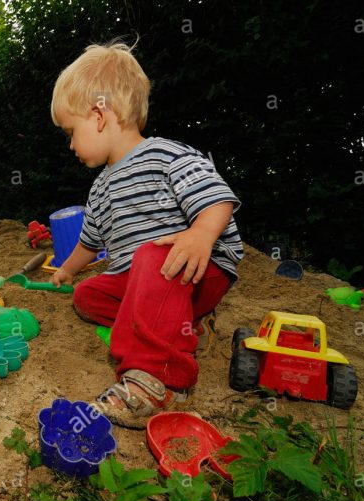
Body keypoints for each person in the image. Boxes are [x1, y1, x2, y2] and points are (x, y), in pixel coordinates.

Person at [50, 43, 243, 427]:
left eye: (71, 131)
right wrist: (67, 270)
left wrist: (201, 234)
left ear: (99, 115)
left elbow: (217, 198)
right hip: (144, 281)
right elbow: (89, 242)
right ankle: (183, 325)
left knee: (151, 256)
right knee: (87, 295)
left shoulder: (166, 155)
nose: (70, 145)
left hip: (193, 270)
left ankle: (160, 380)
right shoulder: (100, 187)